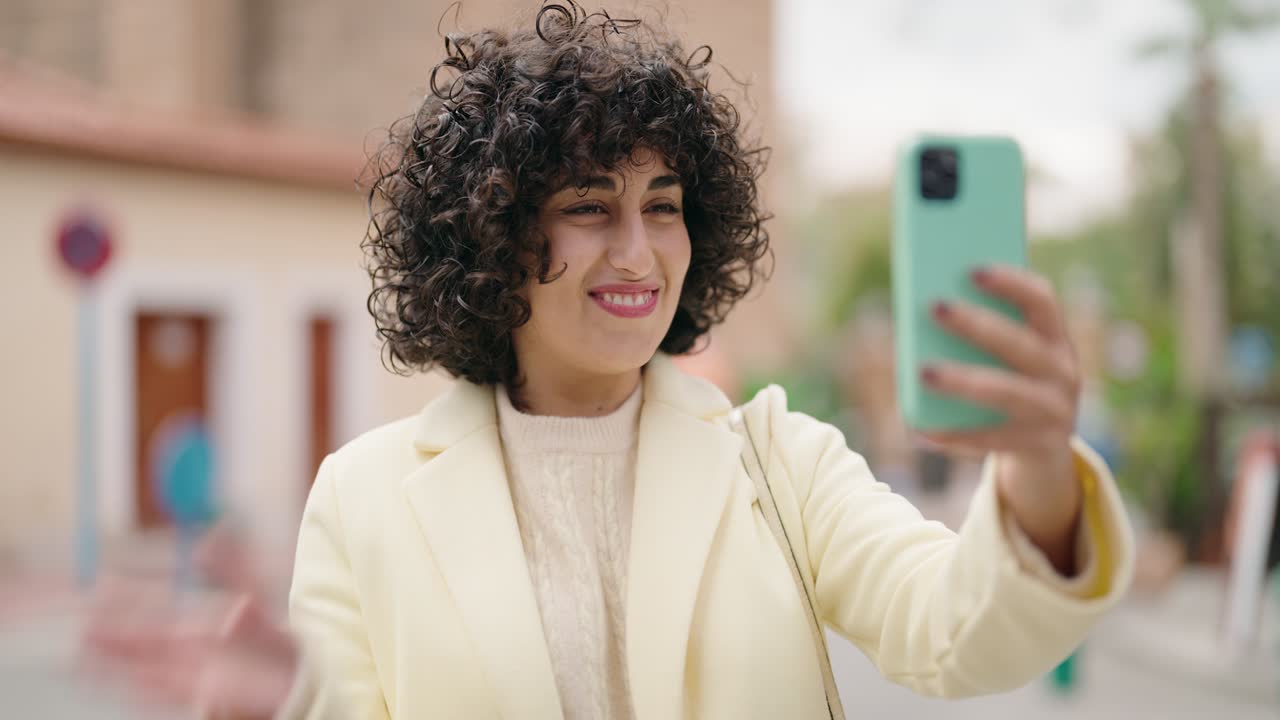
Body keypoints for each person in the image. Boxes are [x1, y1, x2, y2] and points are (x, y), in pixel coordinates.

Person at [84, 3, 1135, 718]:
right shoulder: (359, 502)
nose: (638, 252)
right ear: (493, 235)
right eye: (590, 205)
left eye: (663, 207)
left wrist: (1040, 472)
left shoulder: (780, 461)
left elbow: (957, 634)